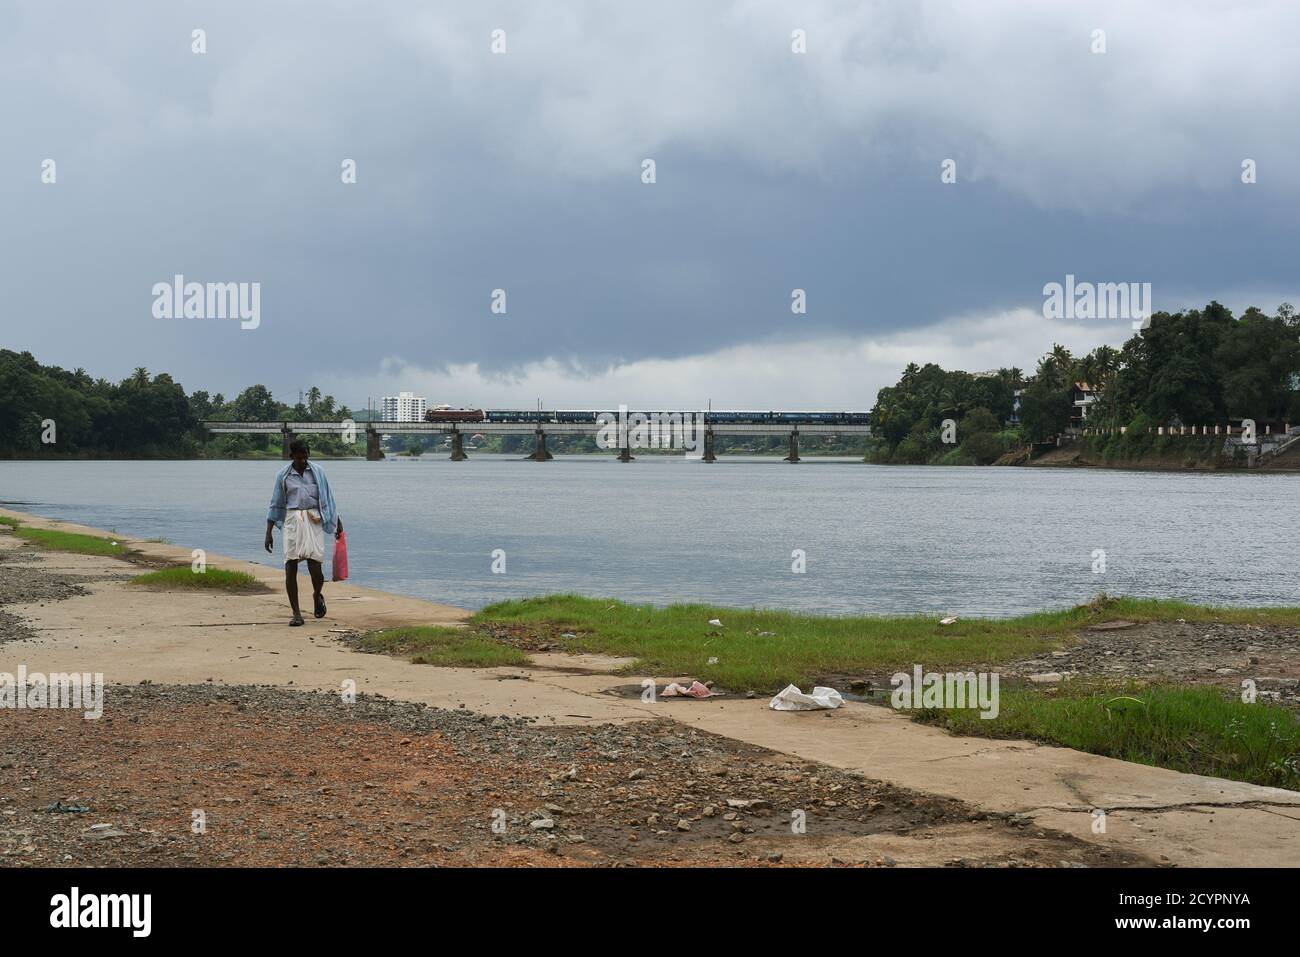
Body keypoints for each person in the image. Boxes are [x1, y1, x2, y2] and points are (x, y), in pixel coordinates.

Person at [265, 439, 342, 626]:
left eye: (305, 457)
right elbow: (275, 503)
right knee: (291, 565)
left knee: (315, 568)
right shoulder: (283, 476)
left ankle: (317, 595)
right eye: (299, 458)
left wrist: (338, 522)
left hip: (314, 519)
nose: (302, 461)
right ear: (291, 457)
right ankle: (297, 614)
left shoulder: (318, 472)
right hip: (292, 520)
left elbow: (328, 498)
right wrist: (269, 532)